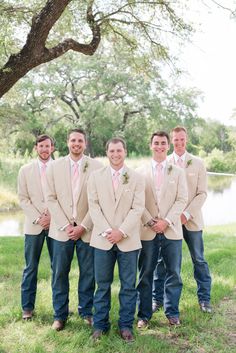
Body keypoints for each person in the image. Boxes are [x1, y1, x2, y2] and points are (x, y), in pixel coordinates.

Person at [87, 137, 145, 342]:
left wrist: (121, 231)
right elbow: (93, 206)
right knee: (102, 285)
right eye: (111, 151)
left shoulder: (136, 177)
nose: (115, 154)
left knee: (129, 285)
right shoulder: (95, 177)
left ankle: (126, 325)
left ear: (125, 152)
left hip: (128, 240)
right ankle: (100, 325)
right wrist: (107, 231)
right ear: (107, 153)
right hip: (102, 240)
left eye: (119, 150)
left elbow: (138, 208)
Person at [46, 128, 102, 331]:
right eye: (73, 140)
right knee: (60, 273)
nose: (76, 143)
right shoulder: (54, 167)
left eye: (80, 140)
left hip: (87, 230)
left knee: (88, 273)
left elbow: (98, 201)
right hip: (61, 231)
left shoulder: (96, 166)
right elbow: (50, 198)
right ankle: (60, 315)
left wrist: (84, 226)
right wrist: (66, 225)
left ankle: (86, 311)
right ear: (67, 142)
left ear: (85, 143)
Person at [152, 126, 212, 313]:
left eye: (182, 139)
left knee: (198, 259)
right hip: (168, 222)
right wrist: (170, 217)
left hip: (190, 220)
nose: (179, 143)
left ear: (186, 140)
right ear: (171, 141)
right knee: (161, 262)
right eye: (175, 140)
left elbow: (202, 193)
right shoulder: (164, 161)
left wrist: (186, 214)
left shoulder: (198, 163)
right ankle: (157, 299)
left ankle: (204, 299)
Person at [137, 131, 188, 328]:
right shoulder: (139, 172)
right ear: (151, 145)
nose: (159, 146)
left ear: (168, 146)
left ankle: (172, 312)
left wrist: (166, 221)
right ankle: (144, 314)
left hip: (172, 230)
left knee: (173, 272)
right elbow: (137, 201)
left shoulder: (178, 172)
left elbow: (181, 199)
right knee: (146, 273)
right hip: (147, 230)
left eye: (163, 143)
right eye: (156, 143)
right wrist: (151, 221)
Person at [18, 134, 55, 320]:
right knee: (30, 267)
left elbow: (65, 196)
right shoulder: (25, 170)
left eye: (47, 146)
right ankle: (27, 308)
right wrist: (39, 218)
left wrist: (52, 217)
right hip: (33, 226)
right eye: (41, 146)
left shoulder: (60, 168)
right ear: (36, 148)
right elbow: (23, 199)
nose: (44, 149)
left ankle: (60, 309)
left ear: (53, 148)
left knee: (58, 268)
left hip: (56, 225)